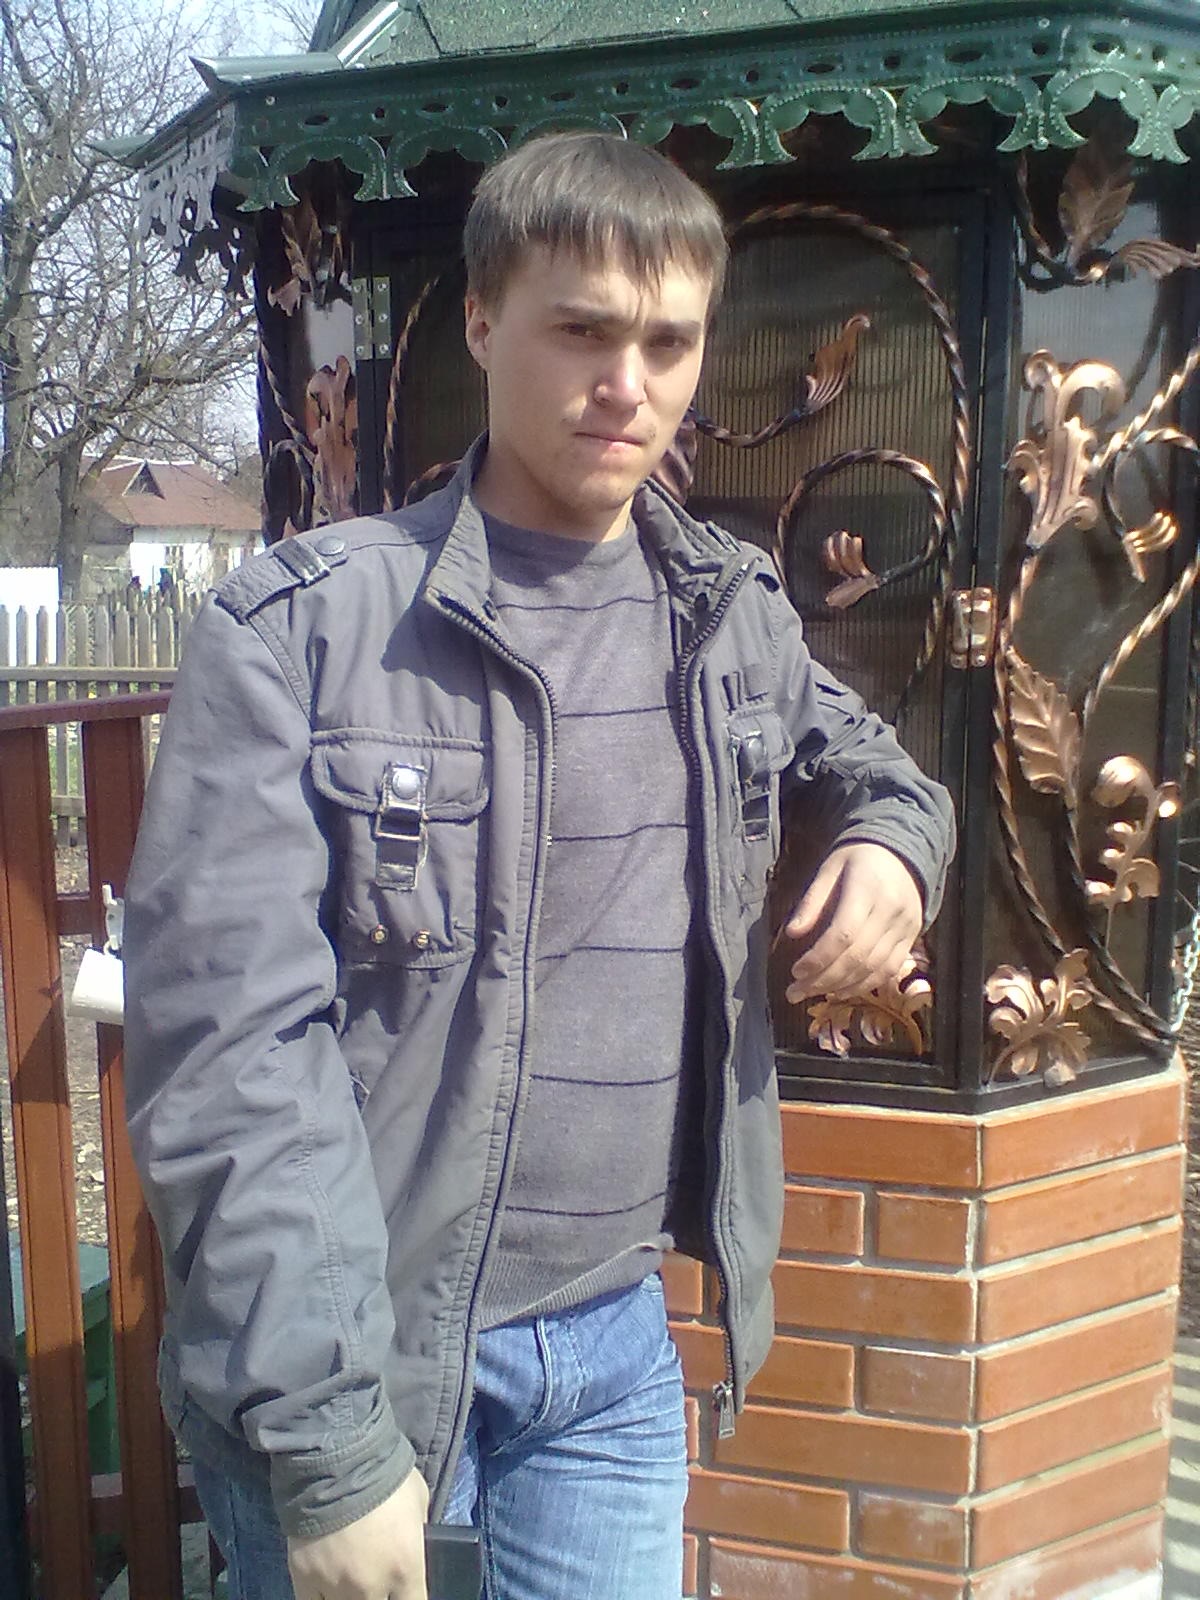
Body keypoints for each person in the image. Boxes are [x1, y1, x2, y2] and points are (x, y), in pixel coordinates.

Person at [123, 132, 955, 1600]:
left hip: (614, 1354)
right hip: (368, 1358)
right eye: (581, 330)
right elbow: (230, 1057)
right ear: (480, 320)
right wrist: (327, 1445)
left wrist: (898, 850)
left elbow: (885, 772)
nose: (628, 382)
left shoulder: (729, 617)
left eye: (668, 342)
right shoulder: (301, 632)